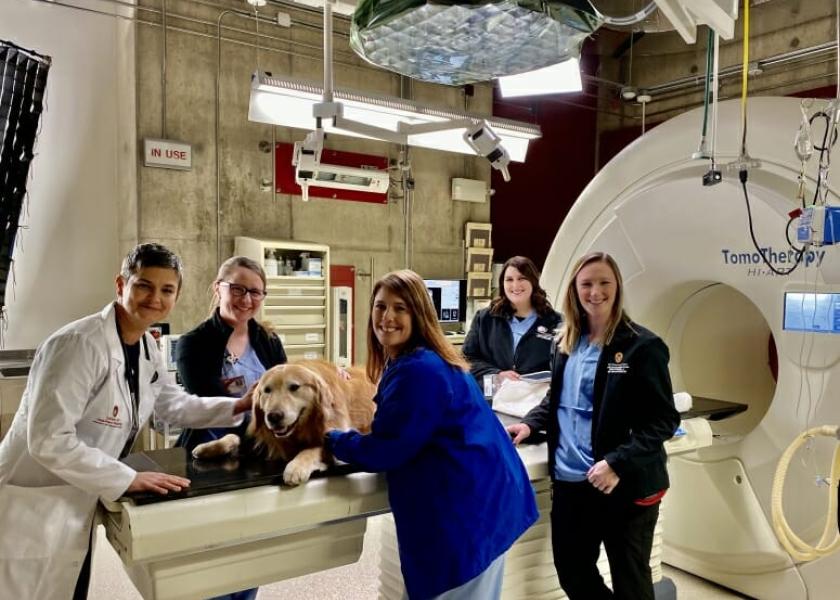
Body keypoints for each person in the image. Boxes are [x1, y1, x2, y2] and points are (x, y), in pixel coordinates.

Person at [0, 243, 252, 600]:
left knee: (66, 583)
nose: (155, 298)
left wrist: (239, 406)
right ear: (121, 285)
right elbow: (48, 440)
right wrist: (127, 478)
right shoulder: (78, 344)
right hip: (32, 501)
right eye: (144, 285)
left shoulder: (146, 347)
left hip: (75, 497)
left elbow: (173, 406)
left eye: (167, 290)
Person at [325, 269, 538, 600]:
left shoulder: (419, 370)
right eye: (380, 306)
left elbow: (388, 450)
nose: (387, 317)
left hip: (465, 518)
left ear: (419, 313)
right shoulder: (426, 358)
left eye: (400, 308)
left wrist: (333, 438)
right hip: (485, 503)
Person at [506, 252, 680, 600]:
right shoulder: (565, 342)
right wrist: (528, 425)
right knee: (574, 575)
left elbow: (664, 420)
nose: (595, 291)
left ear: (617, 287)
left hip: (621, 485)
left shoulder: (641, 347)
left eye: (604, 283)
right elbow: (558, 398)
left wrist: (617, 461)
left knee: (631, 583)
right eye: (586, 284)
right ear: (575, 289)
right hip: (571, 483)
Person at [175, 256, 286, 456]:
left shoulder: (270, 341)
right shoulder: (193, 345)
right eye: (237, 289)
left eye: (255, 292)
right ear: (218, 288)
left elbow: (286, 391)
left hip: (262, 447)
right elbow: (211, 403)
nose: (246, 299)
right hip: (207, 450)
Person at [463, 255, 561, 389]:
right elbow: (467, 358)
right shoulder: (485, 318)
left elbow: (561, 367)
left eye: (522, 278)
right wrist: (498, 374)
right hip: (493, 395)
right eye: (509, 279)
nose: (515, 285)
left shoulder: (554, 322)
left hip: (534, 400)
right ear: (502, 284)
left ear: (533, 281)